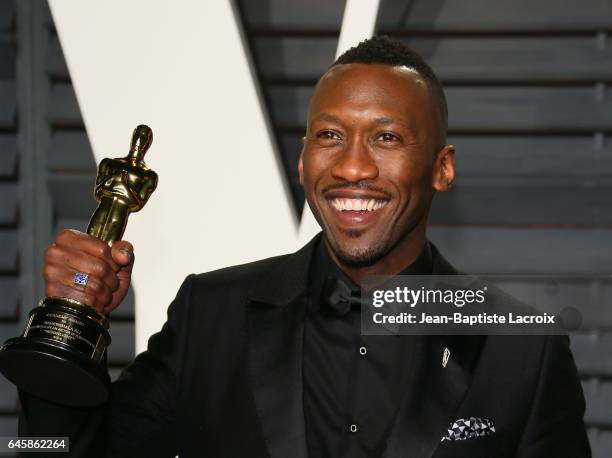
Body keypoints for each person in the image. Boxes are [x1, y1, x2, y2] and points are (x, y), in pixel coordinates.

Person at [19, 36, 590, 457]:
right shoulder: (210, 314)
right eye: (330, 136)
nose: (352, 166)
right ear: (303, 160)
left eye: (386, 137)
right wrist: (69, 335)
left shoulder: (524, 352)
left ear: (442, 168)